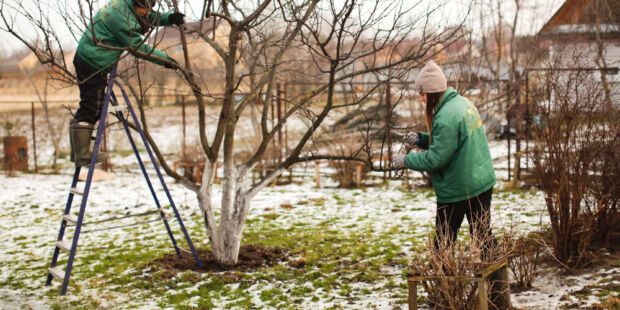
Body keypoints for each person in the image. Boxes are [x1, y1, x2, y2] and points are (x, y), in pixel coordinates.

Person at [392, 61, 509, 308]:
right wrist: (422, 139)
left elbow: (438, 157)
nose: (420, 99)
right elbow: (450, 142)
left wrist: (406, 160)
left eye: (421, 93)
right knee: (483, 235)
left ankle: (441, 298)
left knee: (443, 243)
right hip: (480, 181)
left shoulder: (444, 116)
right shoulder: (462, 104)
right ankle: (499, 293)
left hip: (458, 189)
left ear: (431, 92)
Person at [70, 0, 185, 166]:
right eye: (144, 9)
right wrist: (165, 60)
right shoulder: (121, 19)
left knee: (90, 106)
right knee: (92, 108)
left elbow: (145, 16)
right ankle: (81, 155)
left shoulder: (127, 6)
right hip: (92, 61)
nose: (147, 12)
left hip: (91, 58)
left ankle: (77, 153)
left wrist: (169, 18)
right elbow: (137, 47)